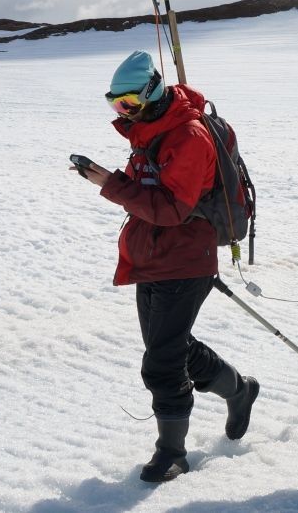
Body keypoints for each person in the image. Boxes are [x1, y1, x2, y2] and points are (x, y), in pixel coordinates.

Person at [72, 50, 259, 482]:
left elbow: (174, 209)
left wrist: (111, 184)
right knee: (172, 347)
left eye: (130, 104)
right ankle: (240, 389)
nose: (125, 114)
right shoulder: (151, 132)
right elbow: (152, 189)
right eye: (116, 106)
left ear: (152, 93)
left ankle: (172, 452)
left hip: (186, 258)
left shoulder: (188, 136)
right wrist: (116, 180)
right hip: (153, 255)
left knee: (162, 362)